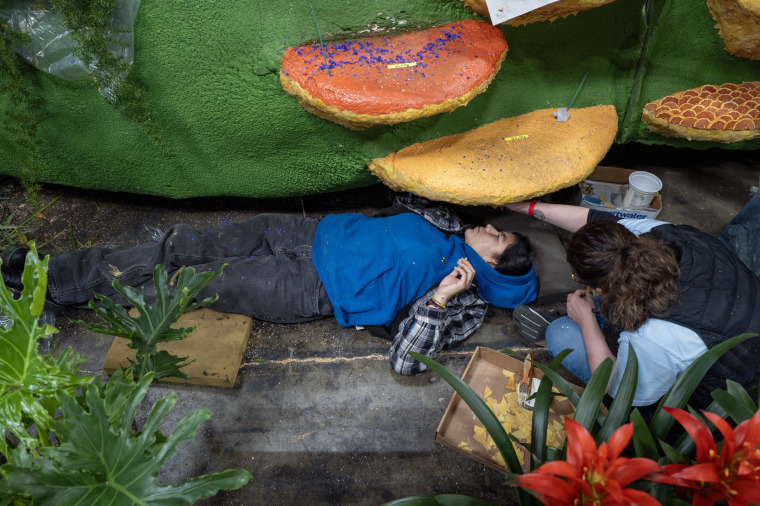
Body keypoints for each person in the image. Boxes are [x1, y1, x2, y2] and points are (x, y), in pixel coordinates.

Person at [1, 194, 537, 375]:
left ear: (490, 267)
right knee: (177, 245)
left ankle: (46, 297)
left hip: (305, 285)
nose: (488, 228)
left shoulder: (465, 304)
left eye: (496, 239)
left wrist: (441, 298)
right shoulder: (450, 220)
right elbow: (403, 196)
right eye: (496, 227)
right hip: (308, 233)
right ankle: (39, 276)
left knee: (181, 282)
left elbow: (405, 360)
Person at [505, 200, 760, 415]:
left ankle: (564, 326)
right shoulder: (657, 235)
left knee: (560, 333)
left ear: (602, 287)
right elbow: (591, 218)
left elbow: (613, 385)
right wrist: (525, 206)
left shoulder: (656, 335)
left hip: (706, 396)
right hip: (730, 311)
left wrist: (586, 320)